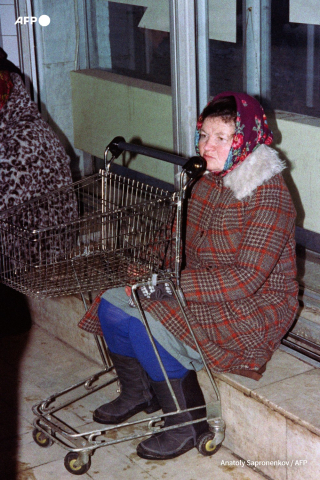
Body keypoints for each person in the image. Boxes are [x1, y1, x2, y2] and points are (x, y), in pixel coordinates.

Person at [79, 92, 299, 460]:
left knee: (147, 319)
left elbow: (246, 279)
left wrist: (168, 285)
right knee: (113, 302)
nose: (206, 146)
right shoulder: (206, 179)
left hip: (254, 307)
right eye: (203, 135)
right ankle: (139, 392)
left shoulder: (268, 195)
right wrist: (150, 263)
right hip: (201, 283)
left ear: (245, 141)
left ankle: (187, 423)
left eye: (220, 138)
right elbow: (176, 238)